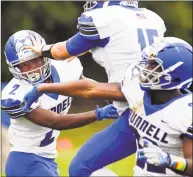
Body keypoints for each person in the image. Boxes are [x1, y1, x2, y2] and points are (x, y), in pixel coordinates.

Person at [23, 1, 167, 176]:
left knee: (80, 168)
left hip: (134, 111)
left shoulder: (104, 18)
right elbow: (123, 45)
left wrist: (42, 49)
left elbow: (61, 53)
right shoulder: (152, 18)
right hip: (161, 105)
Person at [22, 36, 193, 176]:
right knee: (83, 169)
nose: (146, 68)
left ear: (175, 75)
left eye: (154, 65)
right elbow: (90, 89)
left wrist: (170, 160)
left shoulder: (185, 112)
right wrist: (43, 87)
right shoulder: (138, 91)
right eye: (148, 62)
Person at [1, 30, 119, 177]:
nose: (33, 69)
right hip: (24, 161)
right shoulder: (14, 95)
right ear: (14, 68)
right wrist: (98, 114)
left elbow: (89, 87)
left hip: (49, 158)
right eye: (24, 65)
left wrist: (114, 99)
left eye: (35, 60)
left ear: (44, 56)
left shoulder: (64, 66)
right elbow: (55, 121)